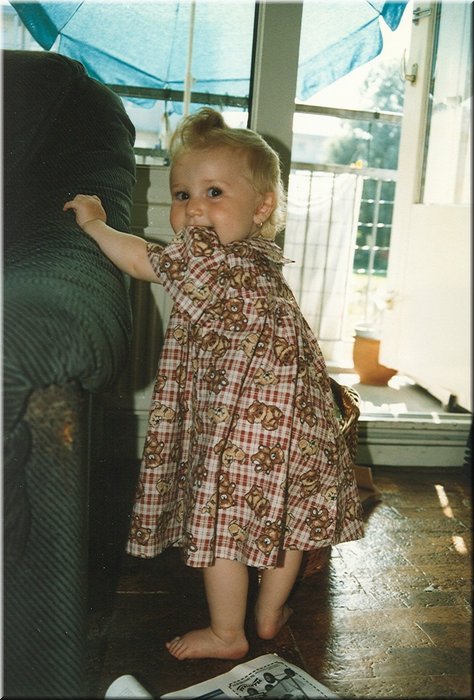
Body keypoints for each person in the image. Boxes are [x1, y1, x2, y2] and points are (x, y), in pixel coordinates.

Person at [63, 107, 364, 662]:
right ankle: (269, 613)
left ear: (262, 206)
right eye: (182, 195)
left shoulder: (208, 258)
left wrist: (95, 224)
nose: (195, 208)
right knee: (286, 524)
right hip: (301, 431)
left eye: (214, 192)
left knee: (224, 532)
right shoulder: (260, 260)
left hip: (244, 438)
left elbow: (140, 259)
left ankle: (229, 633)